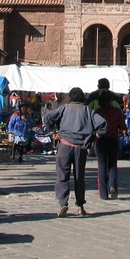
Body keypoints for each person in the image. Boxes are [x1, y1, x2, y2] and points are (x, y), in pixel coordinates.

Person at [44, 87, 107, 217]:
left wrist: (52, 132)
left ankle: (63, 203)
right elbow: (103, 124)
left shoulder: (64, 108)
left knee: (62, 175)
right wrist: (95, 137)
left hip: (64, 145)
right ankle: (80, 206)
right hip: (81, 148)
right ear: (82, 98)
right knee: (79, 177)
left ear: (70, 98)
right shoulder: (87, 110)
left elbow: (47, 118)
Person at [93, 90, 127, 200]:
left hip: (101, 140)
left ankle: (103, 194)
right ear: (111, 100)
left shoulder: (97, 112)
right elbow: (123, 128)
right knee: (113, 165)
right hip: (113, 140)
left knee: (102, 167)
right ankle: (112, 186)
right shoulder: (117, 111)